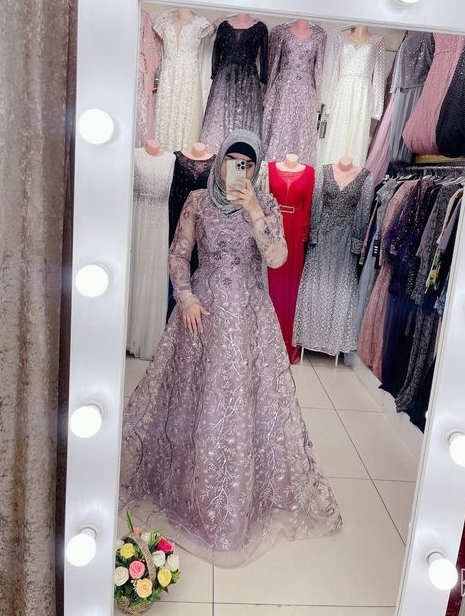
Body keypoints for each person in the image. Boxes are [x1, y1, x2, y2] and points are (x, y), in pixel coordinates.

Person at [120, 129, 342, 567]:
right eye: (232, 160)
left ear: (256, 169)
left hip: (248, 316)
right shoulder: (198, 202)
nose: (239, 169)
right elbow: (178, 255)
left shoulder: (266, 205)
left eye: (249, 164)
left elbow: (277, 258)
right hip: (202, 314)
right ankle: (189, 484)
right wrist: (185, 297)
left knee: (242, 402)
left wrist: (255, 209)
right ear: (220, 160)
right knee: (197, 398)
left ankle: (238, 495)